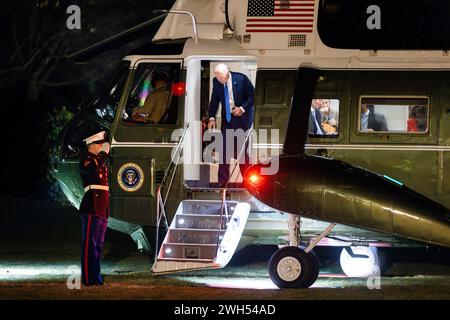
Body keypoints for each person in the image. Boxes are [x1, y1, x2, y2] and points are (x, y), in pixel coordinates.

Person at [207, 63, 255, 187]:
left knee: (241, 154)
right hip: (228, 120)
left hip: (243, 119)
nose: (219, 79)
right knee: (223, 151)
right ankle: (222, 182)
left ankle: (248, 182)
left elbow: (253, 96)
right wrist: (211, 117)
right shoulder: (216, 82)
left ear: (227, 72)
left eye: (221, 76)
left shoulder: (242, 79)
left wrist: (242, 109)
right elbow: (214, 101)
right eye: (217, 76)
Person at [79, 130, 110, 286]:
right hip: (92, 205)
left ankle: (95, 276)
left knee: (98, 243)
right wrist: (103, 154)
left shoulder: (99, 161)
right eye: (100, 144)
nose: (102, 146)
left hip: (102, 206)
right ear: (92, 145)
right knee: (89, 243)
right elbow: (92, 172)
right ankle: (88, 278)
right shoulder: (87, 160)